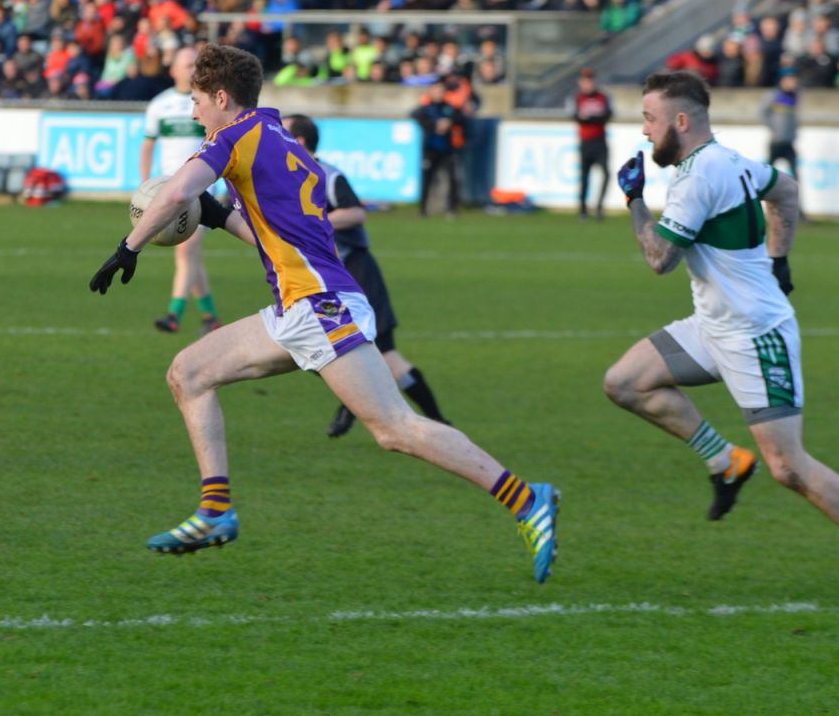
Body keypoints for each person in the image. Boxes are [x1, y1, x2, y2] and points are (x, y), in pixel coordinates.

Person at [88, 45, 559, 582]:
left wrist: (129, 246)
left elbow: (175, 192)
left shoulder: (234, 136)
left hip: (320, 305)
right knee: (189, 373)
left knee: (394, 428)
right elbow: (267, 235)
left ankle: (527, 499)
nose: (192, 112)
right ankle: (216, 509)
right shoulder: (280, 138)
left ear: (222, 98)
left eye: (196, 100)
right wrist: (217, 216)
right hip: (299, 306)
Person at [604, 70, 839, 601]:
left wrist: (634, 198)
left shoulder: (699, 177)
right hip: (713, 326)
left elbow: (660, 259)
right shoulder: (729, 159)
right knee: (625, 382)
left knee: (789, 467)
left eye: (649, 120)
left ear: (681, 121)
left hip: (754, 334)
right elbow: (786, 190)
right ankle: (725, 460)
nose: (645, 132)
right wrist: (780, 258)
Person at [278, 113, 450, 438]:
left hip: (356, 273)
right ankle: (355, 399)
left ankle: (440, 424)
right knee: (311, 348)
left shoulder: (326, 176)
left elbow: (356, 212)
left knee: (386, 355)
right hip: (318, 282)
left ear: (299, 142)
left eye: (281, 133)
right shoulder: (283, 178)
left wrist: (317, 224)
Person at [139, 46, 221, 335]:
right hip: (169, 189)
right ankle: (211, 317)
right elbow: (148, 145)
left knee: (185, 249)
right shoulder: (159, 104)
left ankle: (174, 314)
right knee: (190, 254)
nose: (191, 70)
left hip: (201, 188)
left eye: (195, 66)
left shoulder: (207, 102)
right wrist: (145, 185)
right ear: (172, 69)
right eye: (186, 65)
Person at [411, 79, 464, 217]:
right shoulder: (425, 109)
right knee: (427, 179)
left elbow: (461, 117)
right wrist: (434, 125)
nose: (438, 93)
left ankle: (451, 209)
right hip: (430, 149)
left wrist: (449, 122)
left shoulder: (449, 107)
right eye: (436, 90)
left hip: (447, 150)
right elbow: (415, 116)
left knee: (452, 179)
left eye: (441, 91)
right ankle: (423, 209)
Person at [568, 67, 613, 221]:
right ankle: (582, 210)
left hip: (600, 142)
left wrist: (590, 118)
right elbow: (575, 116)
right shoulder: (577, 98)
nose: (588, 84)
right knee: (584, 177)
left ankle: (599, 207)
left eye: (590, 80)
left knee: (606, 174)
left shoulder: (603, 97)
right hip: (585, 142)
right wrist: (592, 118)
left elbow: (607, 115)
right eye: (585, 81)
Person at [761, 70, 799, 181]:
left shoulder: (795, 96)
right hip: (776, 140)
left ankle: (796, 196)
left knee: (795, 173)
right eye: (790, 81)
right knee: (769, 173)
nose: (793, 84)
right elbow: (762, 112)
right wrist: (774, 128)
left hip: (789, 141)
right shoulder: (774, 95)